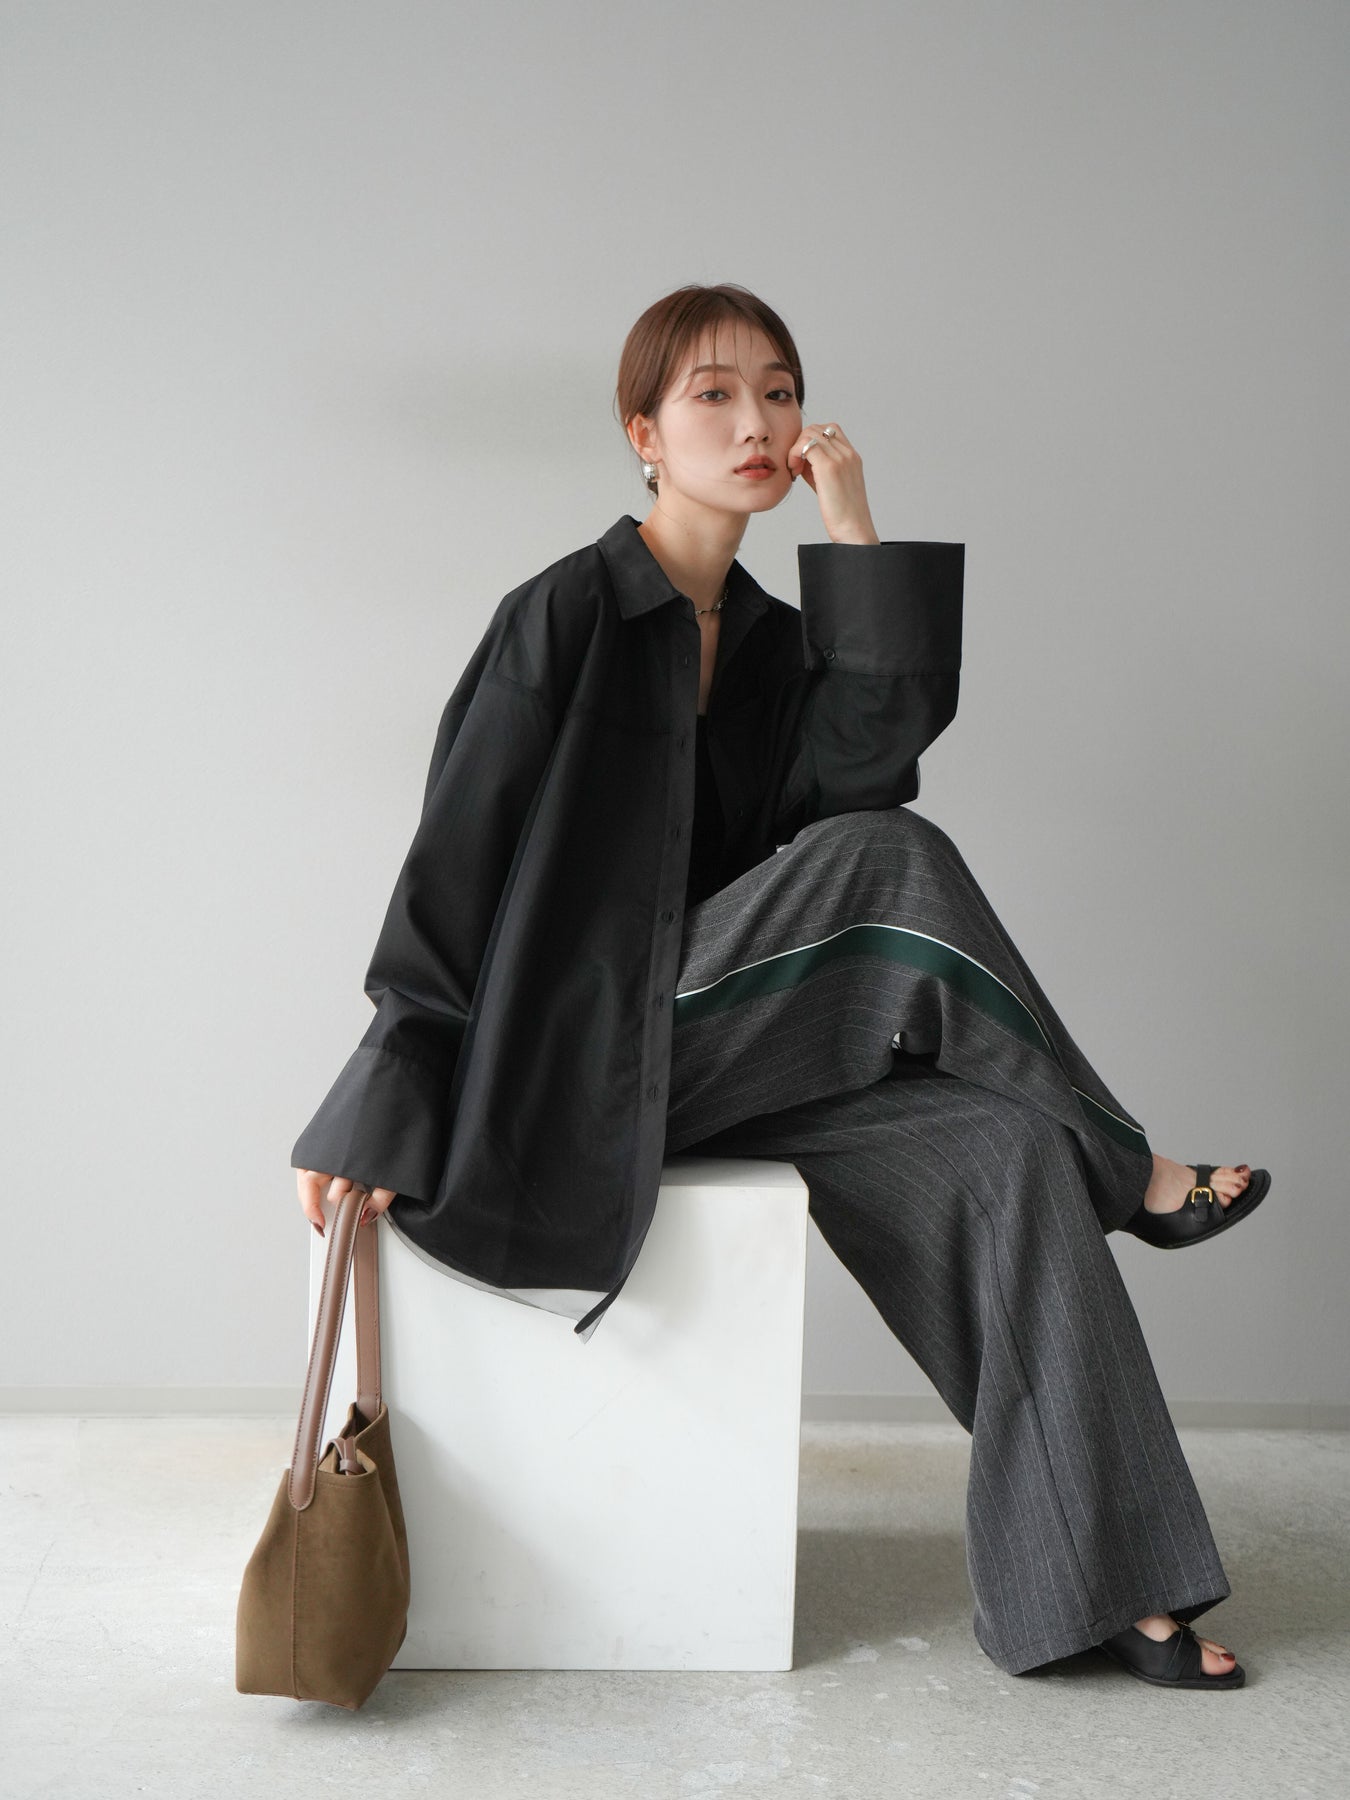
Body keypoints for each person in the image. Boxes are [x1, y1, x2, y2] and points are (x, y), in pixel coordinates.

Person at [293, 282, 1271, 1689]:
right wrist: (384, 1096)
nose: (754, 421)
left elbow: (862, 768)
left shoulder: (763, 639)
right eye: (711, 394)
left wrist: (851, 533)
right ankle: (1133, 1167)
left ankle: (1097, 1583)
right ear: (642, 433)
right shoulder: (560, 616)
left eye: (778, 391)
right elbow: (452, 870)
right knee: (888, 861)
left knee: (1004, 1151)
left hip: (723, 1044)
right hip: (576, 1059)